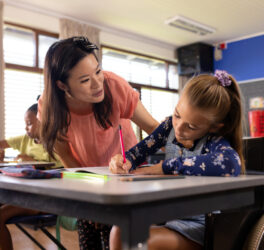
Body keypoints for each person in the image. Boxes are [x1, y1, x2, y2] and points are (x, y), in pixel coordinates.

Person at [38, 36, 159, 249]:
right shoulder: (50, 108)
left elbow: (154, 129)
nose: (97, 84)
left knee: (119, 239)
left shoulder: (113, 86)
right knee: (90, 236)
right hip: (89, 181)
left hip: (127, 177)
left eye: (98, 71)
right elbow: (67, 157)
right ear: (62, 85)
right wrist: (93, 196)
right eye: (85, 80)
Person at [109, 70, 244, 250]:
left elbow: (230, 164)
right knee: (119, 230)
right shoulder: (167, 127)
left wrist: (166, 167)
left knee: (130, 240)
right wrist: (124, 161)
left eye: (192, 126)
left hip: (199, 227)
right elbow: (136, 153)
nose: (179, 128)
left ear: (214, 127)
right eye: (177, 115)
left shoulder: (213, 141)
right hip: (170, 214)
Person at [0, 103, 62, 250]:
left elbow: (62, 171)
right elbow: (1, 144)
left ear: (43, 121)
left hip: (42, 199)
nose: (26, 128)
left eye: (29, 124)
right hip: (22, 195)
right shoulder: (25, 139)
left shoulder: (56, 143)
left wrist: (32, 162)